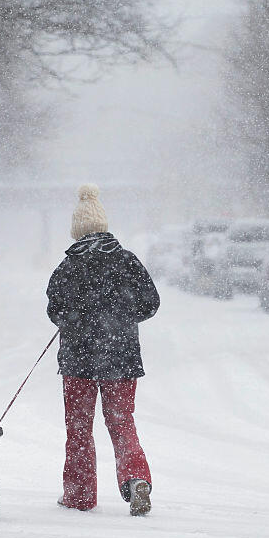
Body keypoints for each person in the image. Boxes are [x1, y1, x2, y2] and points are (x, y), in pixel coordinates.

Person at [46, 184, 160, 516]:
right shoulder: (127, 260)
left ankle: (79, 495)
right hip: (120, 357)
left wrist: (76, 320)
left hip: (77, 360)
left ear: (77, 231)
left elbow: (54, 310)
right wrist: (123, 320)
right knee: (122, 422)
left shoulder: (68, 267)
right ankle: (136, 478)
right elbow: (151, 303)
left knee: (79, 428)